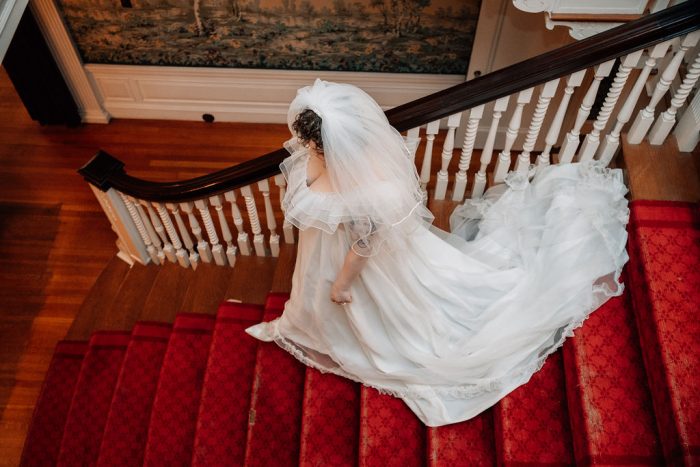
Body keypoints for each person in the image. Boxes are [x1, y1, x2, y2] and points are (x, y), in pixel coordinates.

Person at [245, 78, 629, 427]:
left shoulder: (369, 193)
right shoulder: (331, 154)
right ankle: (307, 321)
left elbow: (363, 247)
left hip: (360, 265)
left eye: (312, 144)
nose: (303, 148)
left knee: (386, 313)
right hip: (327, 250)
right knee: (313, 291)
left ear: (331, 144)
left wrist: (342, 286)